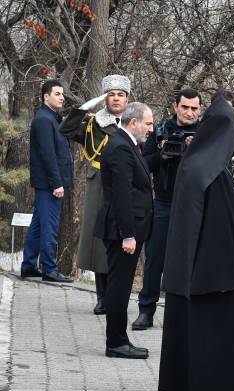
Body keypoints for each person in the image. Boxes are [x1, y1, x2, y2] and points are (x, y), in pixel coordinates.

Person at [158, 93, 234, 391]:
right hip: (211, 275)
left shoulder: (206, 167)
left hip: (217, 271)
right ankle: (212, 384)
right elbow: (206, 228)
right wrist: (216, 272)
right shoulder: (203, 171)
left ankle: (223, 382)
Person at [132, 88, 202, 331]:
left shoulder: (205, 133)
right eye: (185, 107)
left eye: (194, 108)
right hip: (164, 202)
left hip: (195, 204)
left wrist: (197, 149)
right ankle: (146, 310)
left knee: (192, 259)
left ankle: (188, 312)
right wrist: (163, 155)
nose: (190, 112)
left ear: (200, 109)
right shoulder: (160, 130)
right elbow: (143, 165)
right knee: (155, 257)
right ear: (175, 106)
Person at [61, 74, 130, 314]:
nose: (116, 99)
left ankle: (119, 296)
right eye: (111, 94)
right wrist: (86, 107)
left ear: (127, 98)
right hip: (100, 182)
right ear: (104, 98)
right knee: (101, 241)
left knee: (126, 238)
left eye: (120, 94)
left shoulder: (135, 121)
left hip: (129, 183)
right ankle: (102, 297)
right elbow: (66, 128)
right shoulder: (93, 122)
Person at [94, 103, 154, 359]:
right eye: (148, 123)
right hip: (122, 230)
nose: (151, 129)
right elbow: (121, 195)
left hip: (127, 227)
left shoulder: (127, 143)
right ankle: (116, 342)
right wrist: (128, 234)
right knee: (119, 286)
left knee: (121, 284)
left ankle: (120, 339)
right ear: (133, 123)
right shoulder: (120, 147)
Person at [20, 79, 74, 283]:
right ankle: (50, 269)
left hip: (50, 183)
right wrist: (56, 183)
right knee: (50, 226)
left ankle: (28, 266)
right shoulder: (43, 119)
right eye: (58, 94)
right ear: (46, 97)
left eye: (62, 94)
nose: (62, 97)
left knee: (38, 224)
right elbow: (47, 155)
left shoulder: (53, 118)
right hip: (49, 184)